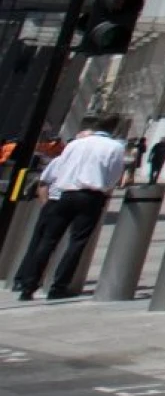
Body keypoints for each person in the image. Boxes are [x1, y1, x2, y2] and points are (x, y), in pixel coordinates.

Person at [12, 115, 126, 301]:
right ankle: (58, 286)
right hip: (91, 195)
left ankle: (29, 286)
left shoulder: (76, 144)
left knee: (48, 240)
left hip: (66, 193)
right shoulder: (115, 147)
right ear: (113, 129)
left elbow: (62, 167)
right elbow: (114, 175)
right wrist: (106, 188)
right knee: (77, 242)